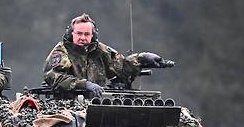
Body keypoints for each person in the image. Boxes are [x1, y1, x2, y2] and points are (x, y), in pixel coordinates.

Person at [43, 13, 171, 97]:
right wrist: (85, 84)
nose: (82, 37)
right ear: (72, 33)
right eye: (79, 33)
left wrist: (143, 58)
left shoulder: (99, 50)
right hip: (67, 104)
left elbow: (121, 67)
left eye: (87, 34)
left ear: (93, 35)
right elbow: (55, 77)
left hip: (97, 102)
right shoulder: (62, 51)